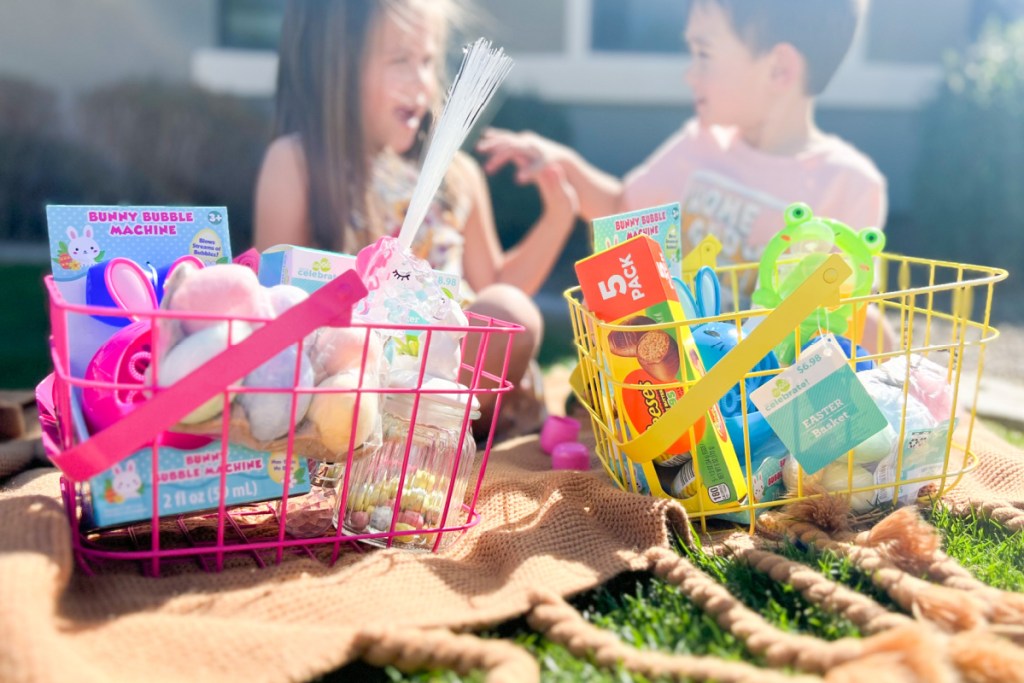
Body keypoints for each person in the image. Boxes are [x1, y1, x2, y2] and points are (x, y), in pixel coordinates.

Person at [253, 0, 579, 437]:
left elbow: (498, 287)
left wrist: (559, 218)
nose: (422, 82)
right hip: (356, 379)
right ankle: (396, 434)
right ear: (336, 66)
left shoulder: (455, 176)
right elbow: (280, 306)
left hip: (449, 381)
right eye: (400, 60)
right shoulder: (297, 164)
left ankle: (444, 429)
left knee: (510, 310)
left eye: (427, 60)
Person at [478, 0, 888, 312]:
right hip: (676, 376)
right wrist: (559, 162)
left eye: (704, 54)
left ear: (779, 69)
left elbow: (847, 318)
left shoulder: (848, 184)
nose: (689, 73)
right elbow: (622, 207)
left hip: (768, 397)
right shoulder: (700, 145)